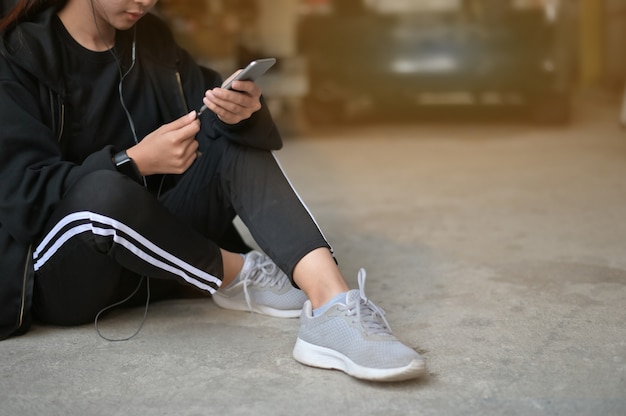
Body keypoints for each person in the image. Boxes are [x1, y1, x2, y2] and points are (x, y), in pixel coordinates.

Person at [0, 0, 425, 382]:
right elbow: (24, 193)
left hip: (162, 259)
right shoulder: (18, 54)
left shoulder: (151, 40)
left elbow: (210, 124)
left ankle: (332, 307)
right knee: (105, 192)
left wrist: (241, 113)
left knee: (234, 141)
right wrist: (134, 161)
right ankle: (236, 273)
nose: (146, 2)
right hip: (72, 274)